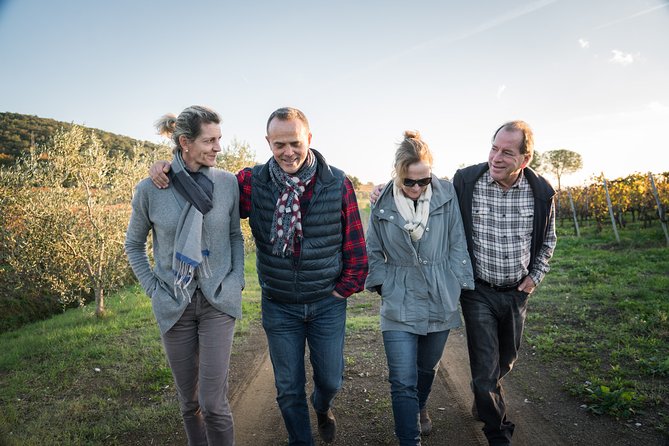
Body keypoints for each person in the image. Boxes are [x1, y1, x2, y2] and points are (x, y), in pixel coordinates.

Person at [149, 107, 368, 446]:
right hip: (280, 306)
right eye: (279, 144)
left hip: (326, 304)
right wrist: (167, 167)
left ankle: (323, 406)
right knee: (288, 388)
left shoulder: (337, 183)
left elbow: (356, 250)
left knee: (331, 380)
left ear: (309, 139)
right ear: (268, 142)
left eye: (294, 142)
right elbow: (202, 185)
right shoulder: (252, 183)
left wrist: (341, 291)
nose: (288, 152)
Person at [125, 105, 245, 445]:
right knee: (189, 403)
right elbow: (133, 245)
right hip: (173, 303)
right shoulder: (151, 188)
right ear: (185, 142)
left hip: (217, 300)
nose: (218, 148)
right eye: (209, 141)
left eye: (219, 139)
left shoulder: (226, 183)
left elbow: (235, 236)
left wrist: (236, 280)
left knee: (213, 403)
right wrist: (153, 289)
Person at [365, 131, 473, 446]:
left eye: (423, 181)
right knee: (401, 381)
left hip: (440, 293)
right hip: (398, 297)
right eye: (409, 182)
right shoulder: (382, 201)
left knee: (426, 369)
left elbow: (457, 243)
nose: (416, 188)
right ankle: (408, 439)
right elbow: (373, 250)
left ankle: (421, 404)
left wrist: (454, 282)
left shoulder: (448, 195)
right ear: (397, 174)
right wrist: (384, 284)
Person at [452, 120, 557, 446]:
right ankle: (498, 434)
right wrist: (391, 187)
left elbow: (549, 240)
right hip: (477, 291)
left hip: (515, 294)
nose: (496, 157)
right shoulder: (467, 181)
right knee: (485, 371)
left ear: (525, 159)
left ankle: (484, 394)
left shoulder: (541, 193)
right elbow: (429, 198)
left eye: (507, 152)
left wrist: (534, 277)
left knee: (504, 361)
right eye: (494, 148)